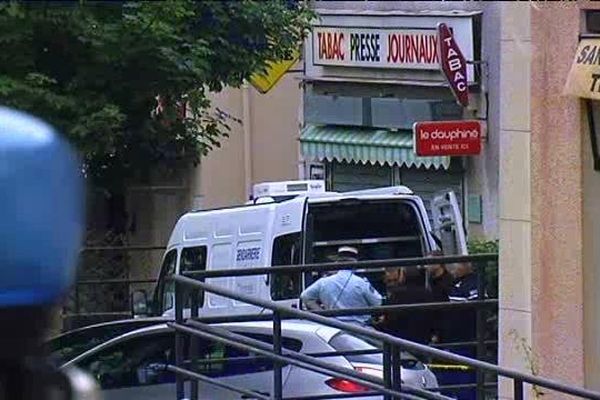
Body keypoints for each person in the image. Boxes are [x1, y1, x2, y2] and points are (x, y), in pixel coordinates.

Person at [300, 246, 382, 327]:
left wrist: (323, 315)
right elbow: (377, 302)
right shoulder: (361, 282)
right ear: (355, 263)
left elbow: (305, 296)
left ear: (337, 262)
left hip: (333, 329)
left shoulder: (323, 282)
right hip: (360, 329)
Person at [377, 267, 439, 344]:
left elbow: (390, 320)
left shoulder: (397, 295)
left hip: (400, 339)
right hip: (423, 339)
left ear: (403, 276)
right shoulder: (428, 294)